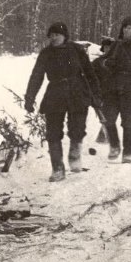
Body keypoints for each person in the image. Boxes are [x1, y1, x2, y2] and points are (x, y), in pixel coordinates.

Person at [24, 22, 101, 182]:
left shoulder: (77, 51)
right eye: (51, 35)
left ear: (64, 35)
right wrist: (30, 97)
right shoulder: (46, 53)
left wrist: (96, 96)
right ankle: (57, 168)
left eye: (56, 35)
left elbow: (90, 74)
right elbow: (36, 76)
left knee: (77, 128)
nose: (53, 38)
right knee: (53, 132)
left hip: (77, 92)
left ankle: (74, 156)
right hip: (55, 94)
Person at [97, 16, 131, 164]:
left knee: (128, 121)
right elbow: (102, 60)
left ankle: (128, 151)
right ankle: (114, 145)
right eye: (124, 27)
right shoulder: (116, 45)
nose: (126, 30)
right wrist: (106, 62)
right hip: (113, 85)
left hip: (130, 87)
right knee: (108, 117)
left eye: (129, 28)